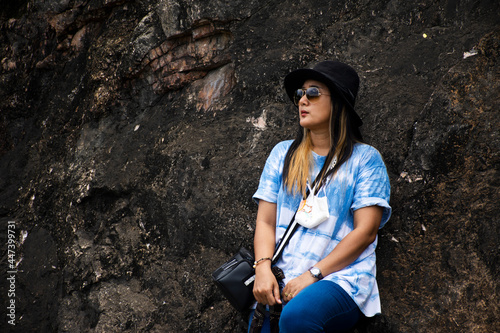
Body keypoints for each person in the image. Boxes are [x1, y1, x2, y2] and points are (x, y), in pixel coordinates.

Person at [249, 60, 391, 333]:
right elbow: (265, 222)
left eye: (313, 93)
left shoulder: (365, 160)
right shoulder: (282, 154)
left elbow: (366, 232)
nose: (303, 100)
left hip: (340, 279)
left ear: (337, 102)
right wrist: (262, 269)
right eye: (299, 94)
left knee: (298, 317)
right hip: (281, 279)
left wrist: (312, 275)